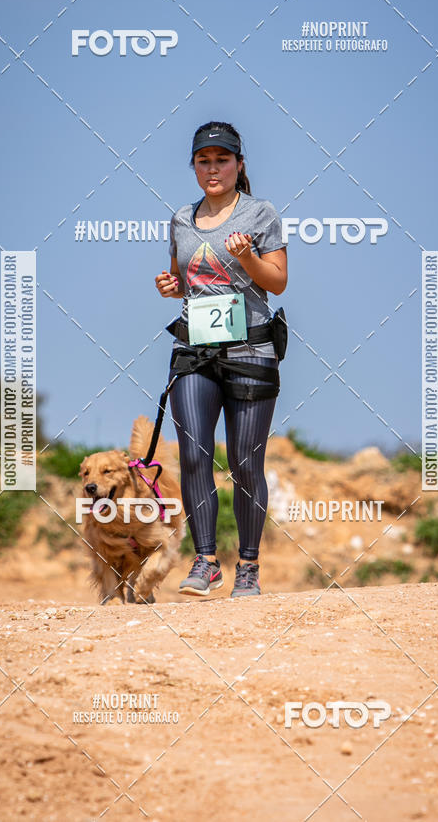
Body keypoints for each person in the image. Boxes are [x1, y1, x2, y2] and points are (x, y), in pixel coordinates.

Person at [154, 121, 288, 598]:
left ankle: (247, 567)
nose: (213, 168)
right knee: (193, 455)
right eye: (204, 160)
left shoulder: (261, 213)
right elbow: (182, 279)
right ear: (193, 166)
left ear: (239, 165)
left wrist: (249, 258)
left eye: (222, 160)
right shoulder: (180, 219)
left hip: (251, 351)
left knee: (247, 464)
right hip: (195, 352)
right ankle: (205, 561)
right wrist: (169, 287)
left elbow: (276, 282)